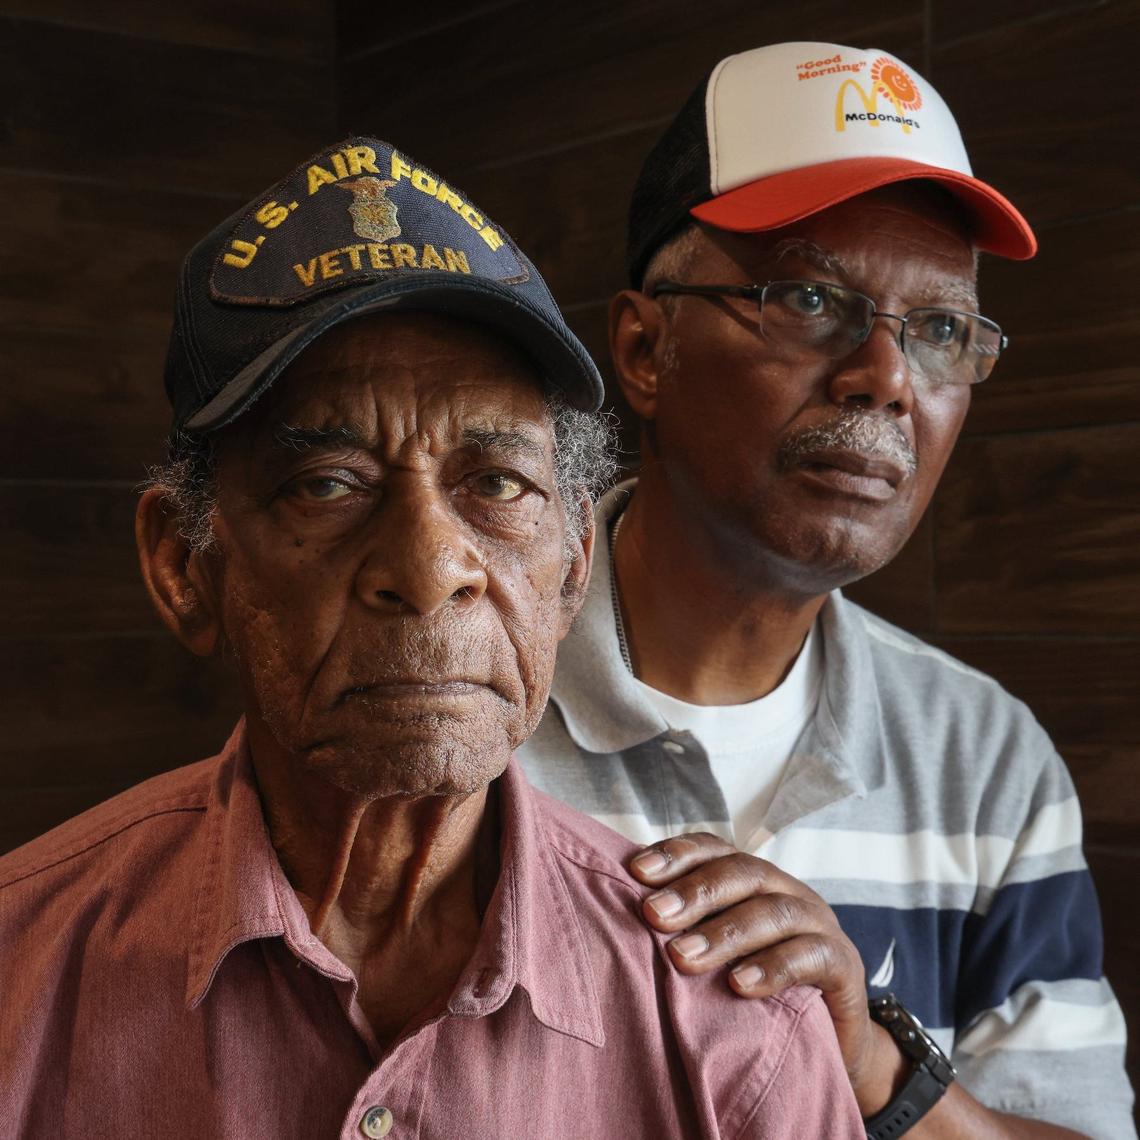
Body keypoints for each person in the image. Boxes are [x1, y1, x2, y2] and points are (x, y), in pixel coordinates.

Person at [0, 138, 865, 1138]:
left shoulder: (734, 1029)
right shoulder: (22, 975)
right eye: (327, 484)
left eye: (496, 486)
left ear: (573, 562)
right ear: (185, 566)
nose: (425, 567)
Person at [519, 42, 1136, 1140]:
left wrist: (872, 1061)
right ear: (644, 348)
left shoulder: (982, 755)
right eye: (809, 297)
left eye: (941, 329)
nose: (888, 380)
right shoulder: (467, 709)